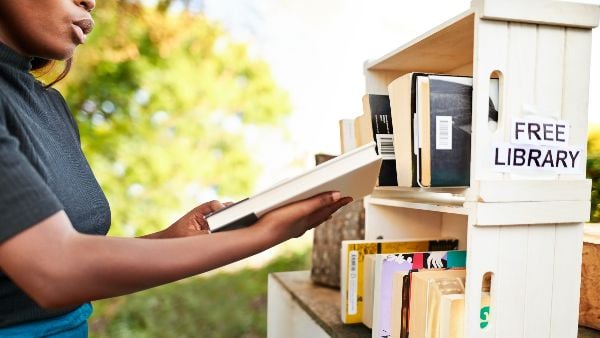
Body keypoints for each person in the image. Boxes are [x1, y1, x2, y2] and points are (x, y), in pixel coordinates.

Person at [0, 0, 353, 336]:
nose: (90, 2)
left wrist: (168, 239)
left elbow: (74, 264)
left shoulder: (49, 105)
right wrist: (264, 235)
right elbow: (54, 270)